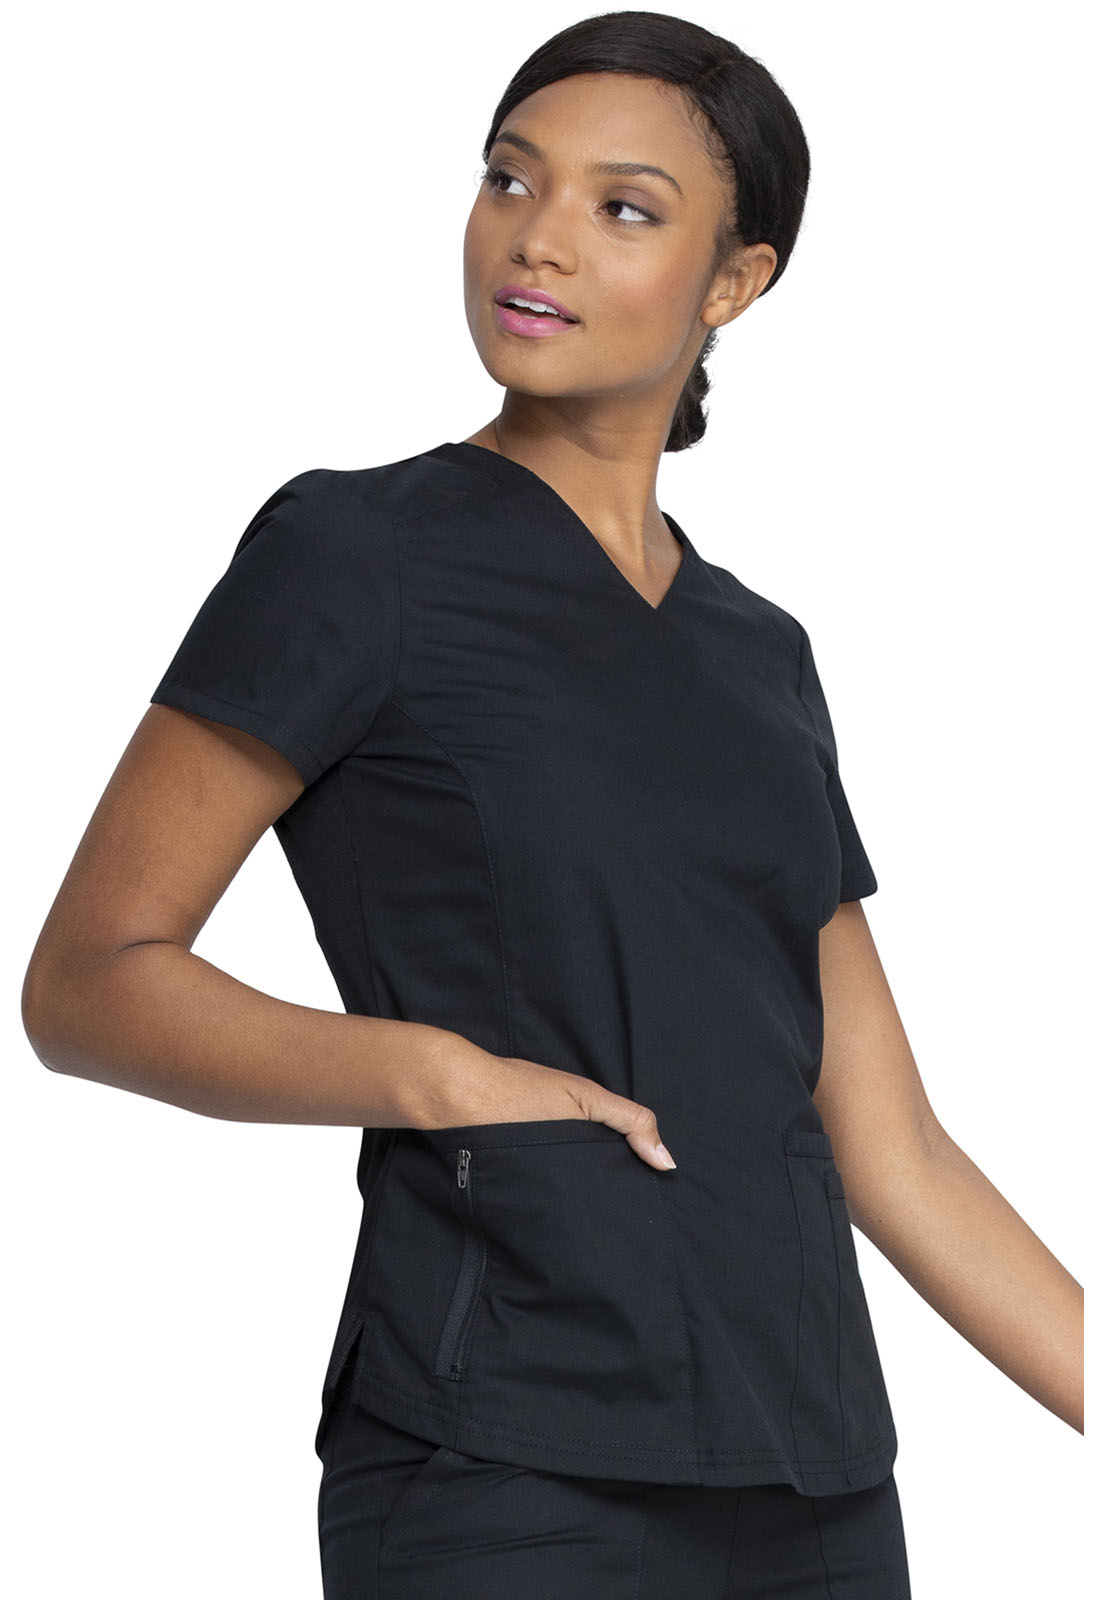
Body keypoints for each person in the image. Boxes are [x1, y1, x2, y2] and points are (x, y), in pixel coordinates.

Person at [21, 11, 1083, 1599]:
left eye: (624, 207)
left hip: (819, 1482)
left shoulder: (760, 656)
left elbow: (894, 1146)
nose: (539, 237)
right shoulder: (353, 555)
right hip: (506, 1466)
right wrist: (438, 1076)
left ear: (735, 281)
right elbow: (88, 981)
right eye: (510, 179)